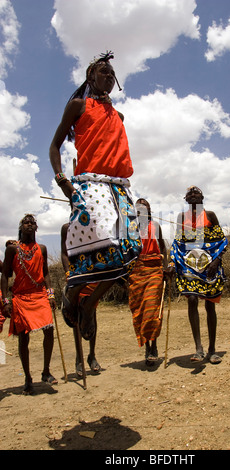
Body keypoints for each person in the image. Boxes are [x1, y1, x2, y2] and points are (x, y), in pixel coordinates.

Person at [49, 51, 141, 341]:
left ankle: (88, 304)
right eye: (103, 71)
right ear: (91, 77)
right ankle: (73, 292)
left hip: (120, 188)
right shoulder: (78, 106)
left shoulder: (119, 116)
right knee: (103, 243)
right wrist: (62, 180)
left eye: (112, 73)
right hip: (91, 184)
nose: (109, 76)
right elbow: (54, 146)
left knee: (130, 251)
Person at [170, 186, 228, 364]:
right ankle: (198, 348)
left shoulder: (210, 215)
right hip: (189, 265)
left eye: (196, 193)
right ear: (186, 199)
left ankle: (212, 349)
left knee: (210, 305)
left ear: (202, 197)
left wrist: (216, 261)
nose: (193, 195)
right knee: (193, 299)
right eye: (190, 194)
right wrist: (173, 262)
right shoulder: (181, 218)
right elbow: (179, 243)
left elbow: (222, 240)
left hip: (210, 265)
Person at [0, 214, 57, 394]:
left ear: (37, 228)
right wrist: (5, 300)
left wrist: (51, 294)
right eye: (26, 222)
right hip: (21, 297)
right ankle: (27, 377)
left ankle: (46, 371)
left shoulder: (42, 248)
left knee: (49, 330)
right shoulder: (12, 250)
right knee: (24, 337)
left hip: (39, 295)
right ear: (21, 227)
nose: (30, 225)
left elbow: (46, 273)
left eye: (33, 223)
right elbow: (4, 275)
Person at [128, 199, 168, 365]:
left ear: (148, 211)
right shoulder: (129, 228)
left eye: (144, 208)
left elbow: (164, 248)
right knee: (141, 310)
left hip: (154, 270)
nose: (141, 210)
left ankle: (154, 346)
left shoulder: (155, 226)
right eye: (138, 208)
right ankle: (147, 346)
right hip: (136, 273)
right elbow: (125, 251)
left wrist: (166, 268)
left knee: (152, 309)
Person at [61, 223, 100, 376]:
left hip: (93, 273)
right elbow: (64, 253)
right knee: (76, 318)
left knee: (91, 314)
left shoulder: (95, 225)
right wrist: (68, 273)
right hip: (76, 274)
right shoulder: (67, 227)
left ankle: (92, 355)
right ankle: (79, 359)